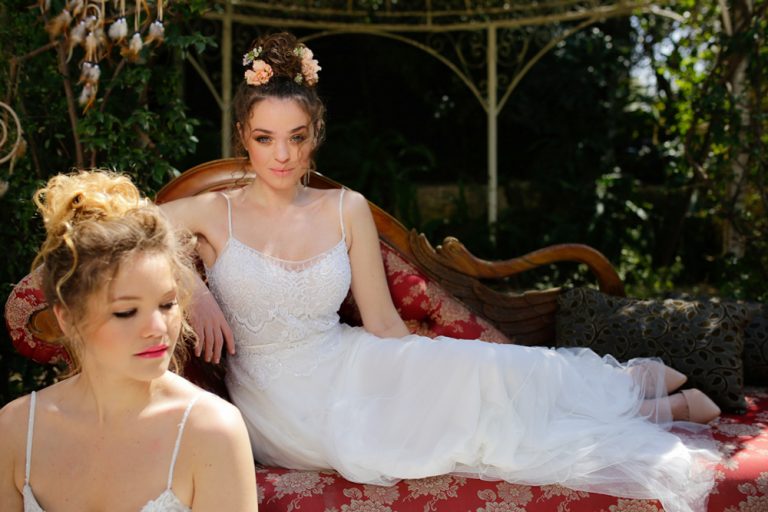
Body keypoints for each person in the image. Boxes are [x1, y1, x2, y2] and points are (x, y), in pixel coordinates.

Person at [159, 33, 721, 512]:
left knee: (476, 371)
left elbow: (382, 322)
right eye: (265, 138)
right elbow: (127, 226)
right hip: (284, 412)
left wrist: (433, 366)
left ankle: (634, 394)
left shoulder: (345, 207)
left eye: (296, 137)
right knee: (465, 422)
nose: (281, 155)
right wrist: (194, 289)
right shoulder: (212, 211)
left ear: (316, 135)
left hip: (350, 362)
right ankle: (646, 401)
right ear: (243, 136)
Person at [0, 171, 259, 511]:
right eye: (126, 312)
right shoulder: (16, 429)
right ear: (68, 318)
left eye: (167, 304)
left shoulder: (212, 430)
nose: (157, 328)